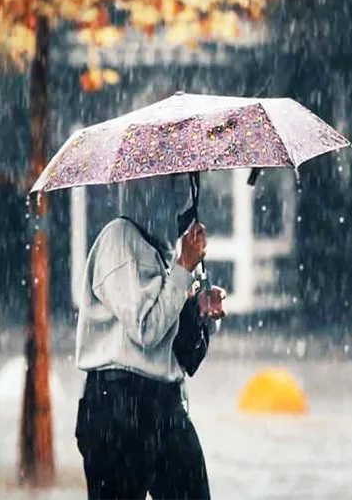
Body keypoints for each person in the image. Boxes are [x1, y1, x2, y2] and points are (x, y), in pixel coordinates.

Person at [74, 175, 225, 500]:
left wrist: (198, 310)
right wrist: (183, 266)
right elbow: (146, 329)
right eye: (169, 183)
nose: (179, 197)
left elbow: (172, 339)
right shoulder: (118, 241)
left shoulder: (162, 250)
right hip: (119, 404)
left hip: (165, 404)